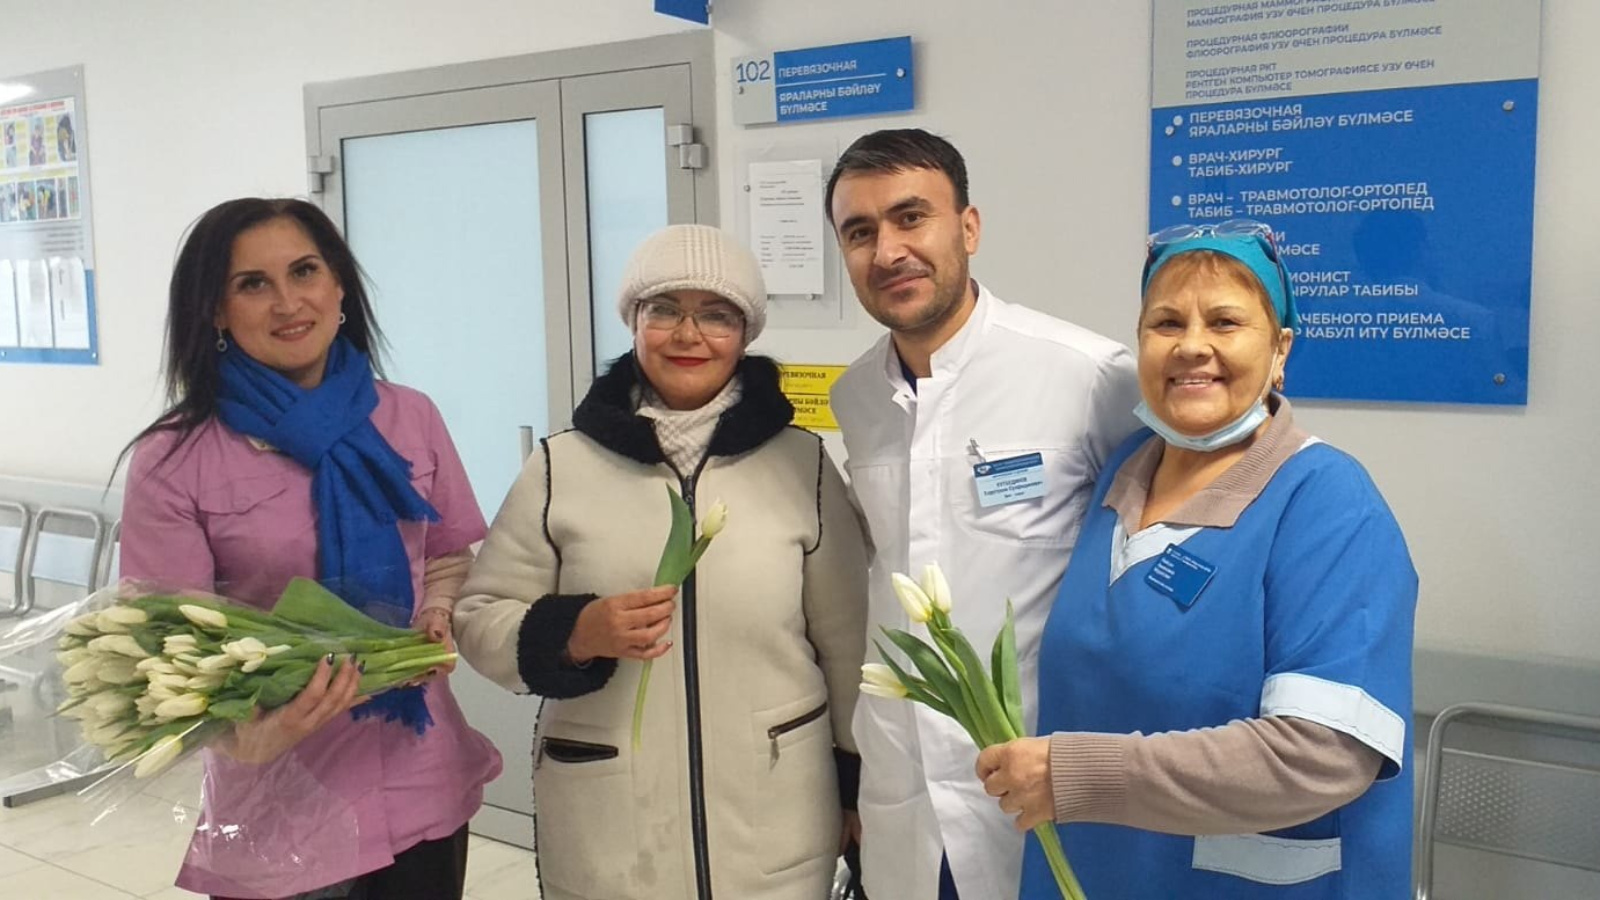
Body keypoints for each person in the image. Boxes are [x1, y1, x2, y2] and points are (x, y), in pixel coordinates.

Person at [975, 219, 1417, 899]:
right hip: (1093, 873)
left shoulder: (1328, 502)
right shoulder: (1123, 474)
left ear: (1280, 350)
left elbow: (1324, 753)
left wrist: (1073, 775)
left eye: (1225, 322)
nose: (1191, 346)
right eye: (1166, 323)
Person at [453, 224, 868, 900]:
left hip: (773, 811)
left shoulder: (802, 464)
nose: (687, 334)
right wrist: (574, 632)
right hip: (612, 820)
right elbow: (479, 618)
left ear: (746, 333)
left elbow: (849, 644)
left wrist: (858, 784)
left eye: (717, 314)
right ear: (633, 322)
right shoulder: (561, 466)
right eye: (664, 309)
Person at [118, 197, 503, 900]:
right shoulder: (175, 459)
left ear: (340, 287)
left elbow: (447, 554)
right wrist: (249, 736)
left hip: (420, 780)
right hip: (284, 800)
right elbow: (167, 649)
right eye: (252, 284)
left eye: (305, 271)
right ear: (215, 311)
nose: (288, 302)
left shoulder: (409, 416)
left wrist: (437, 612)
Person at [825, 129, 1142, 900]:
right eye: (860, 232)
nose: (888, 250)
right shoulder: (856, 396)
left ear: (968, 228)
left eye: (911, 218)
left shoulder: (1088, 375)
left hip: (1040, 785)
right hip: (904, 794)